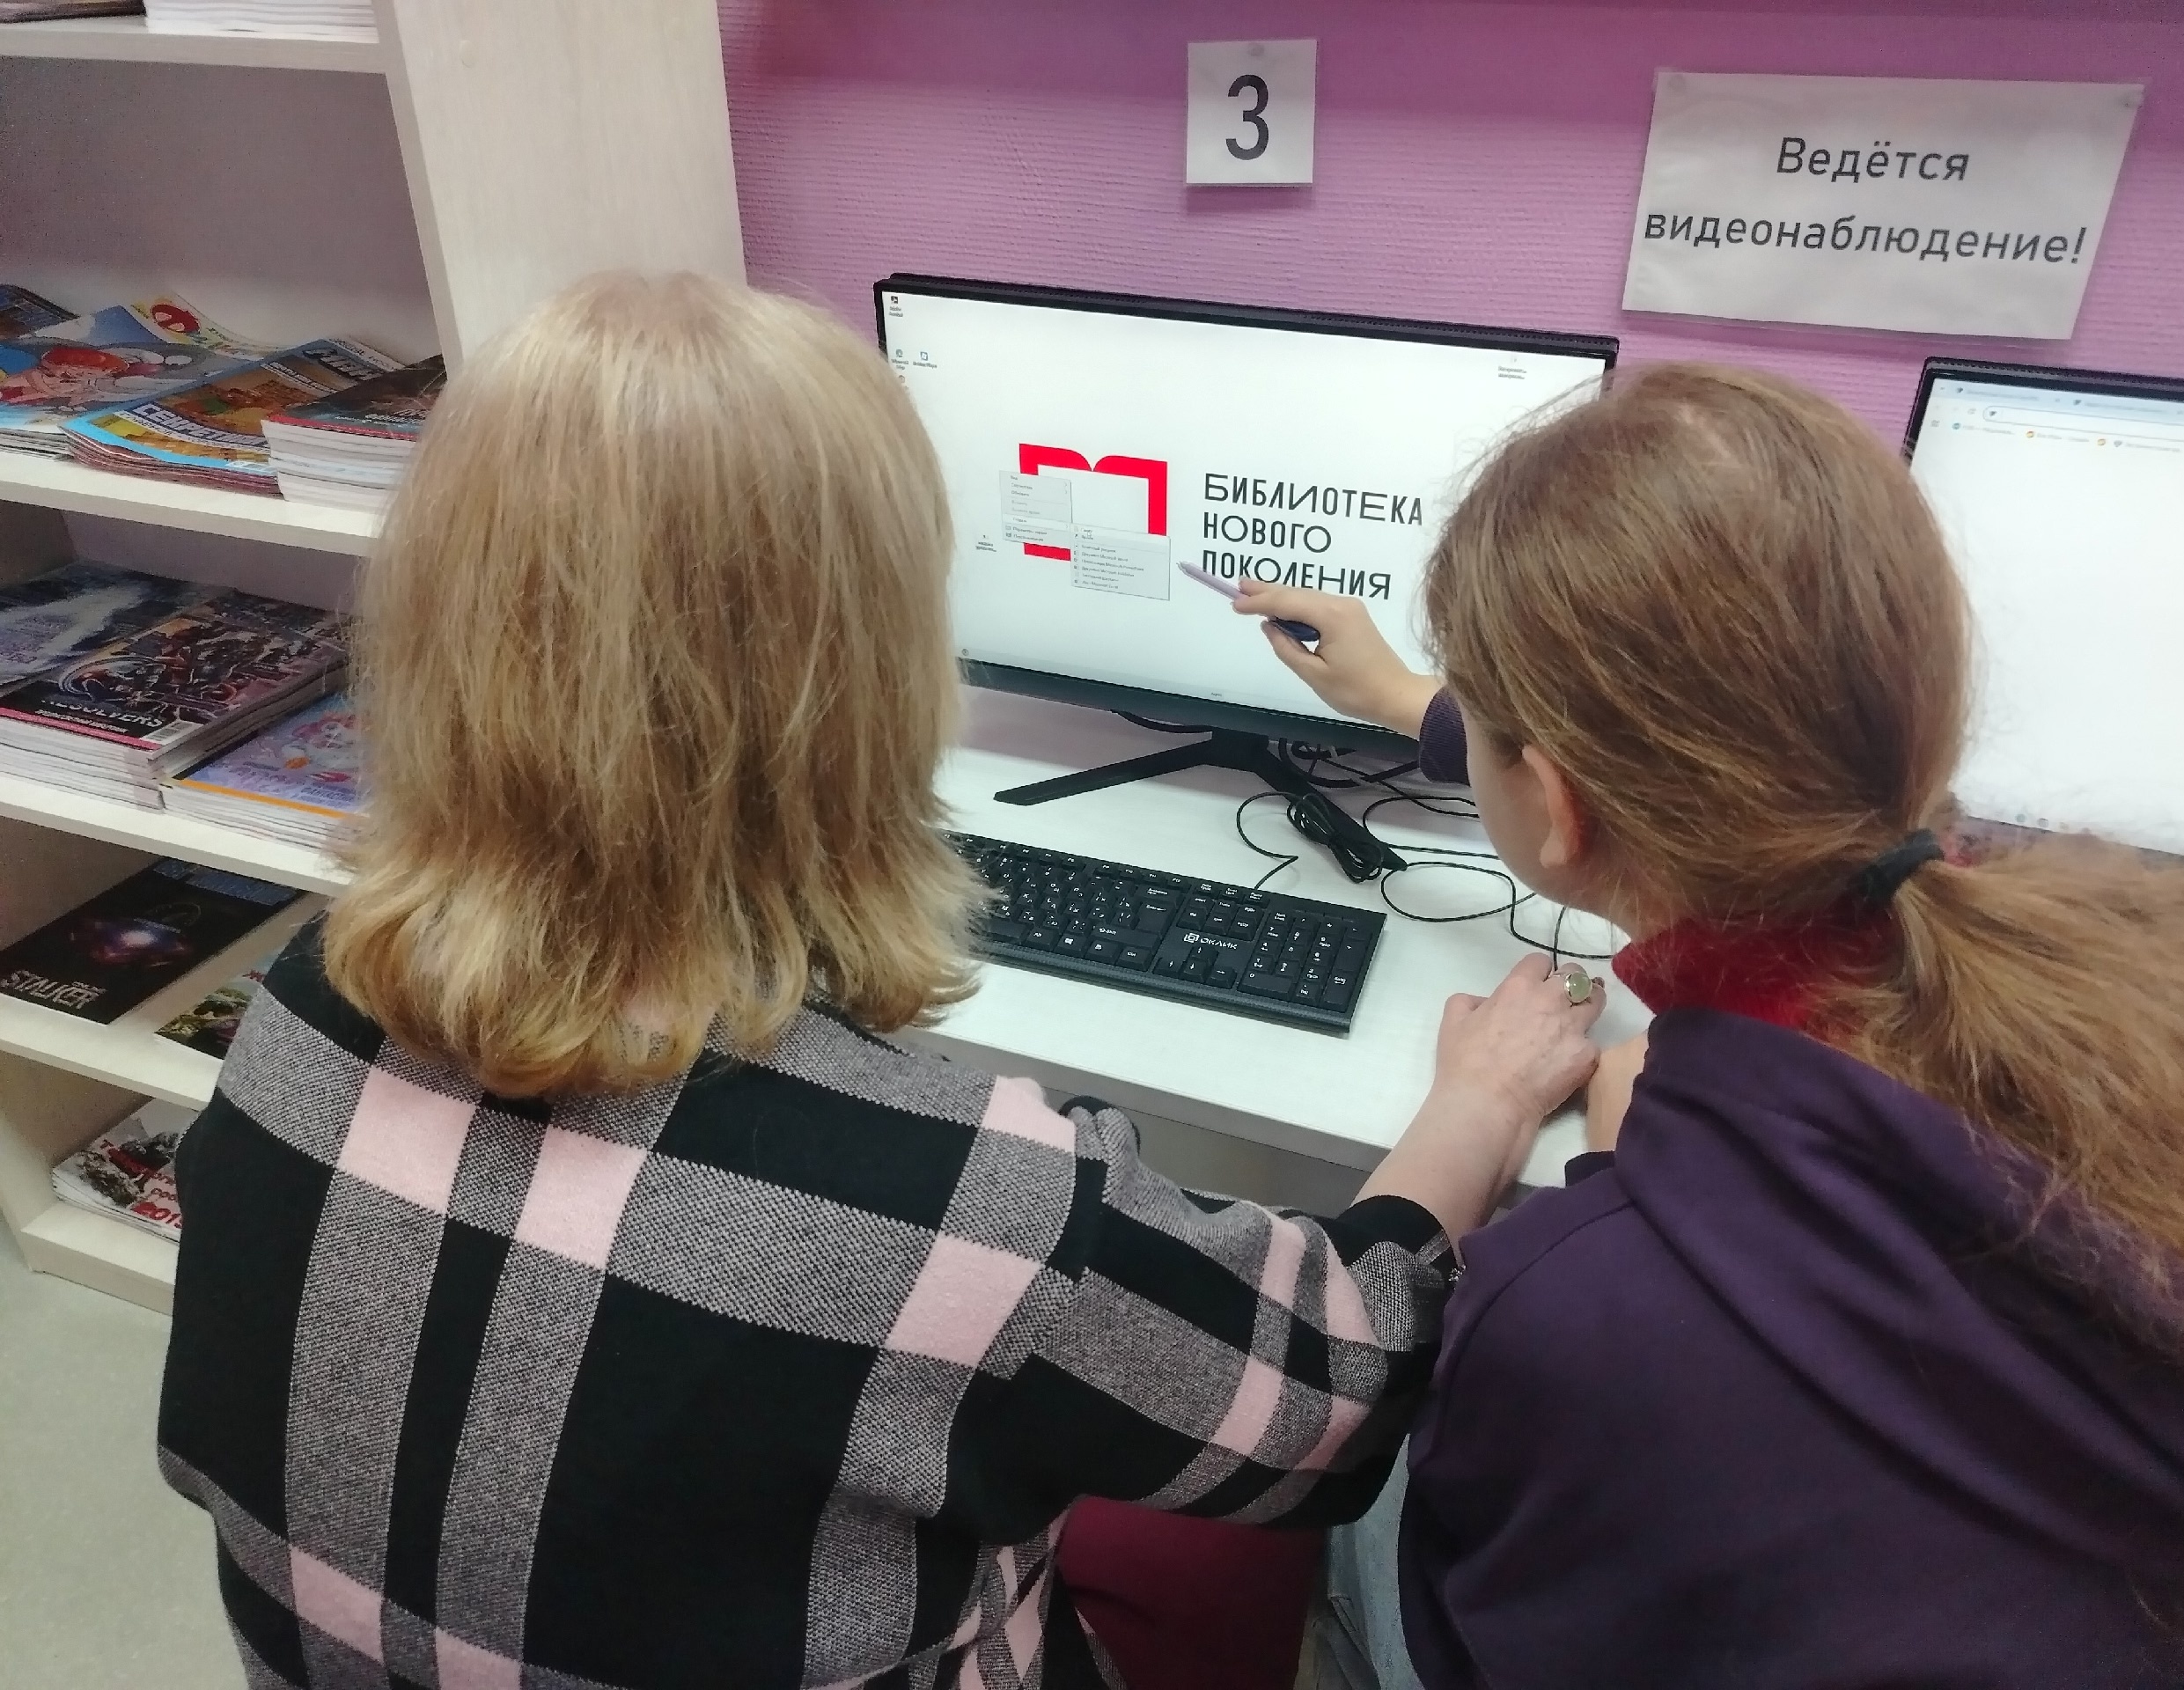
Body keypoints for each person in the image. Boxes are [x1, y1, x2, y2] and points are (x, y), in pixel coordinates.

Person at [152, 272, 1609, 1690]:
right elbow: (1335, 1406)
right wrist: (1475, 1112)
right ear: (863, 668)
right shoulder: (973, 1209)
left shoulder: (292, 1016)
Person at [1234, 362, 2184, 1690]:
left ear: (1555, 800)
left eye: (1477, 727)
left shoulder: (1579, 1300)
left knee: (1365, 1491)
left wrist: (1627, 1178)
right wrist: (1416, 705)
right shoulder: (2173, 970)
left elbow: (1477, 1642)